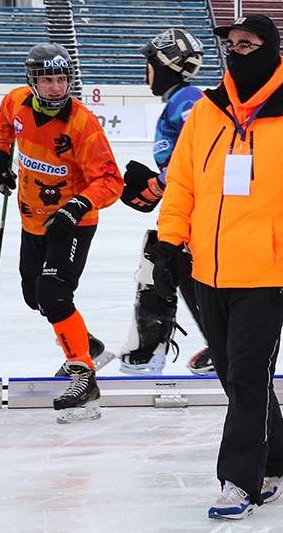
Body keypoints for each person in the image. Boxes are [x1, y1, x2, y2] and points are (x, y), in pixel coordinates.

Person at [152, 14, 283, 519]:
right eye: (231, 45)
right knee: (235, 377)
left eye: (247, 44)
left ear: (271, 50)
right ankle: (282, 458)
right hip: (207, 269)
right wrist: (170, 245)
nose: (236, 52)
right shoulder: (207, 113)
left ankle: (238, 480)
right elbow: (183, 184)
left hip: (267, 271)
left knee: (249, 376)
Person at [0, 43, 123, 422]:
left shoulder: (82, 123)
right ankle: (89, 346)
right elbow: (4, 127)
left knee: (54, 292)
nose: (54, 87)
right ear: (32, 81)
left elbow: (111, 181)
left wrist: (79, 204)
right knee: (36, 299)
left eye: (61, 79)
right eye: (46, 79)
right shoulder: (15, 102)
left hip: (73, 223)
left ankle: (83, 374)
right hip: (33, 219)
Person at [118, 27, 213, 376]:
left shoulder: (187, 99)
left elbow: (202, 151)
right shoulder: (181, 100)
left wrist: (159, 183)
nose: (146, 71)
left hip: (197, 209)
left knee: (167, 262)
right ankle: (155, 348)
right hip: (189, 206)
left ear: (165, 65)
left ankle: (150, 351)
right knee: (165, 261)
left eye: (149, 63)